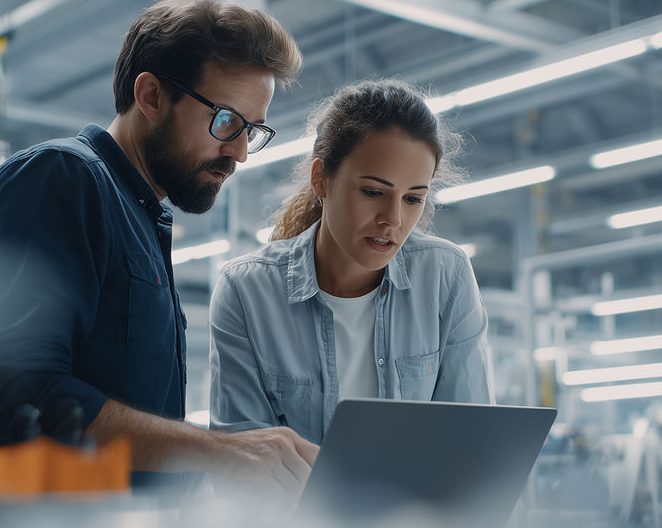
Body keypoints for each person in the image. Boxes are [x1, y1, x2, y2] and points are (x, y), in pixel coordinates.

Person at [0, 0, 318, 500]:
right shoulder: (62, 178)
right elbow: (19, 395)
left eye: (253, 130)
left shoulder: (141, 215)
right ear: (152, 96)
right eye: (227, 122)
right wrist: (216, 451)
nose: (241, 153)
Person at [209, 80, 494, 445]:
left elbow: (470, 440)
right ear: (321, 180)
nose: (392, 219)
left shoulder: (445, 275)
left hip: (419, 505)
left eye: (412, 199)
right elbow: (243, 458)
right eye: (374, 192)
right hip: (291, 504)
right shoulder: (247, 290)